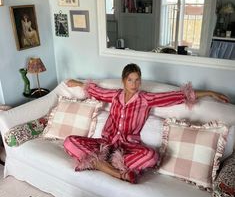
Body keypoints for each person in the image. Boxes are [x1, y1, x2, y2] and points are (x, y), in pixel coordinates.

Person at [64, 63, 229, 183]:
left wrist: (210, 92)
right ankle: (117, 173)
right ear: (123, 81)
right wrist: (77, 83)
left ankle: (100, 164)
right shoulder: (114, 95)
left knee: (151, 156)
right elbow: (95, 91)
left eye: (137, 80)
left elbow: (176, 96)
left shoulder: (146, 99)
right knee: (70, 141)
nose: (134, 84)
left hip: (128, 148)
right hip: (105, 144)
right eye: (130, 80)